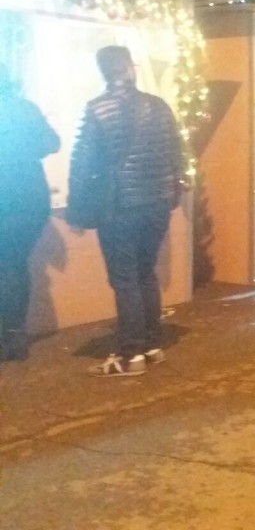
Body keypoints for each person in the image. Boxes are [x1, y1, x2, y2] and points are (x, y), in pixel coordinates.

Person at [67, 46, 184, 377]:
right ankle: (151, 345)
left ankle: (130, 354)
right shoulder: (158, 106)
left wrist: (77, 212)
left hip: (119, 205)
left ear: (103, 71)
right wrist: (170, 194)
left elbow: (82, 164)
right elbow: (178, 154)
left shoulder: (97, 109)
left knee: (125, 279)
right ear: (129, 68)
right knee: (146, 273)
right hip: (157, 203)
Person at [0, 65, 60, 361]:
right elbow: (52, 143)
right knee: (14, 265)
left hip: (6, 200)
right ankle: (14, 336)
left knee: (8, 266)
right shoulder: (26, 109)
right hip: (31, 200)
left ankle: (10, 337)